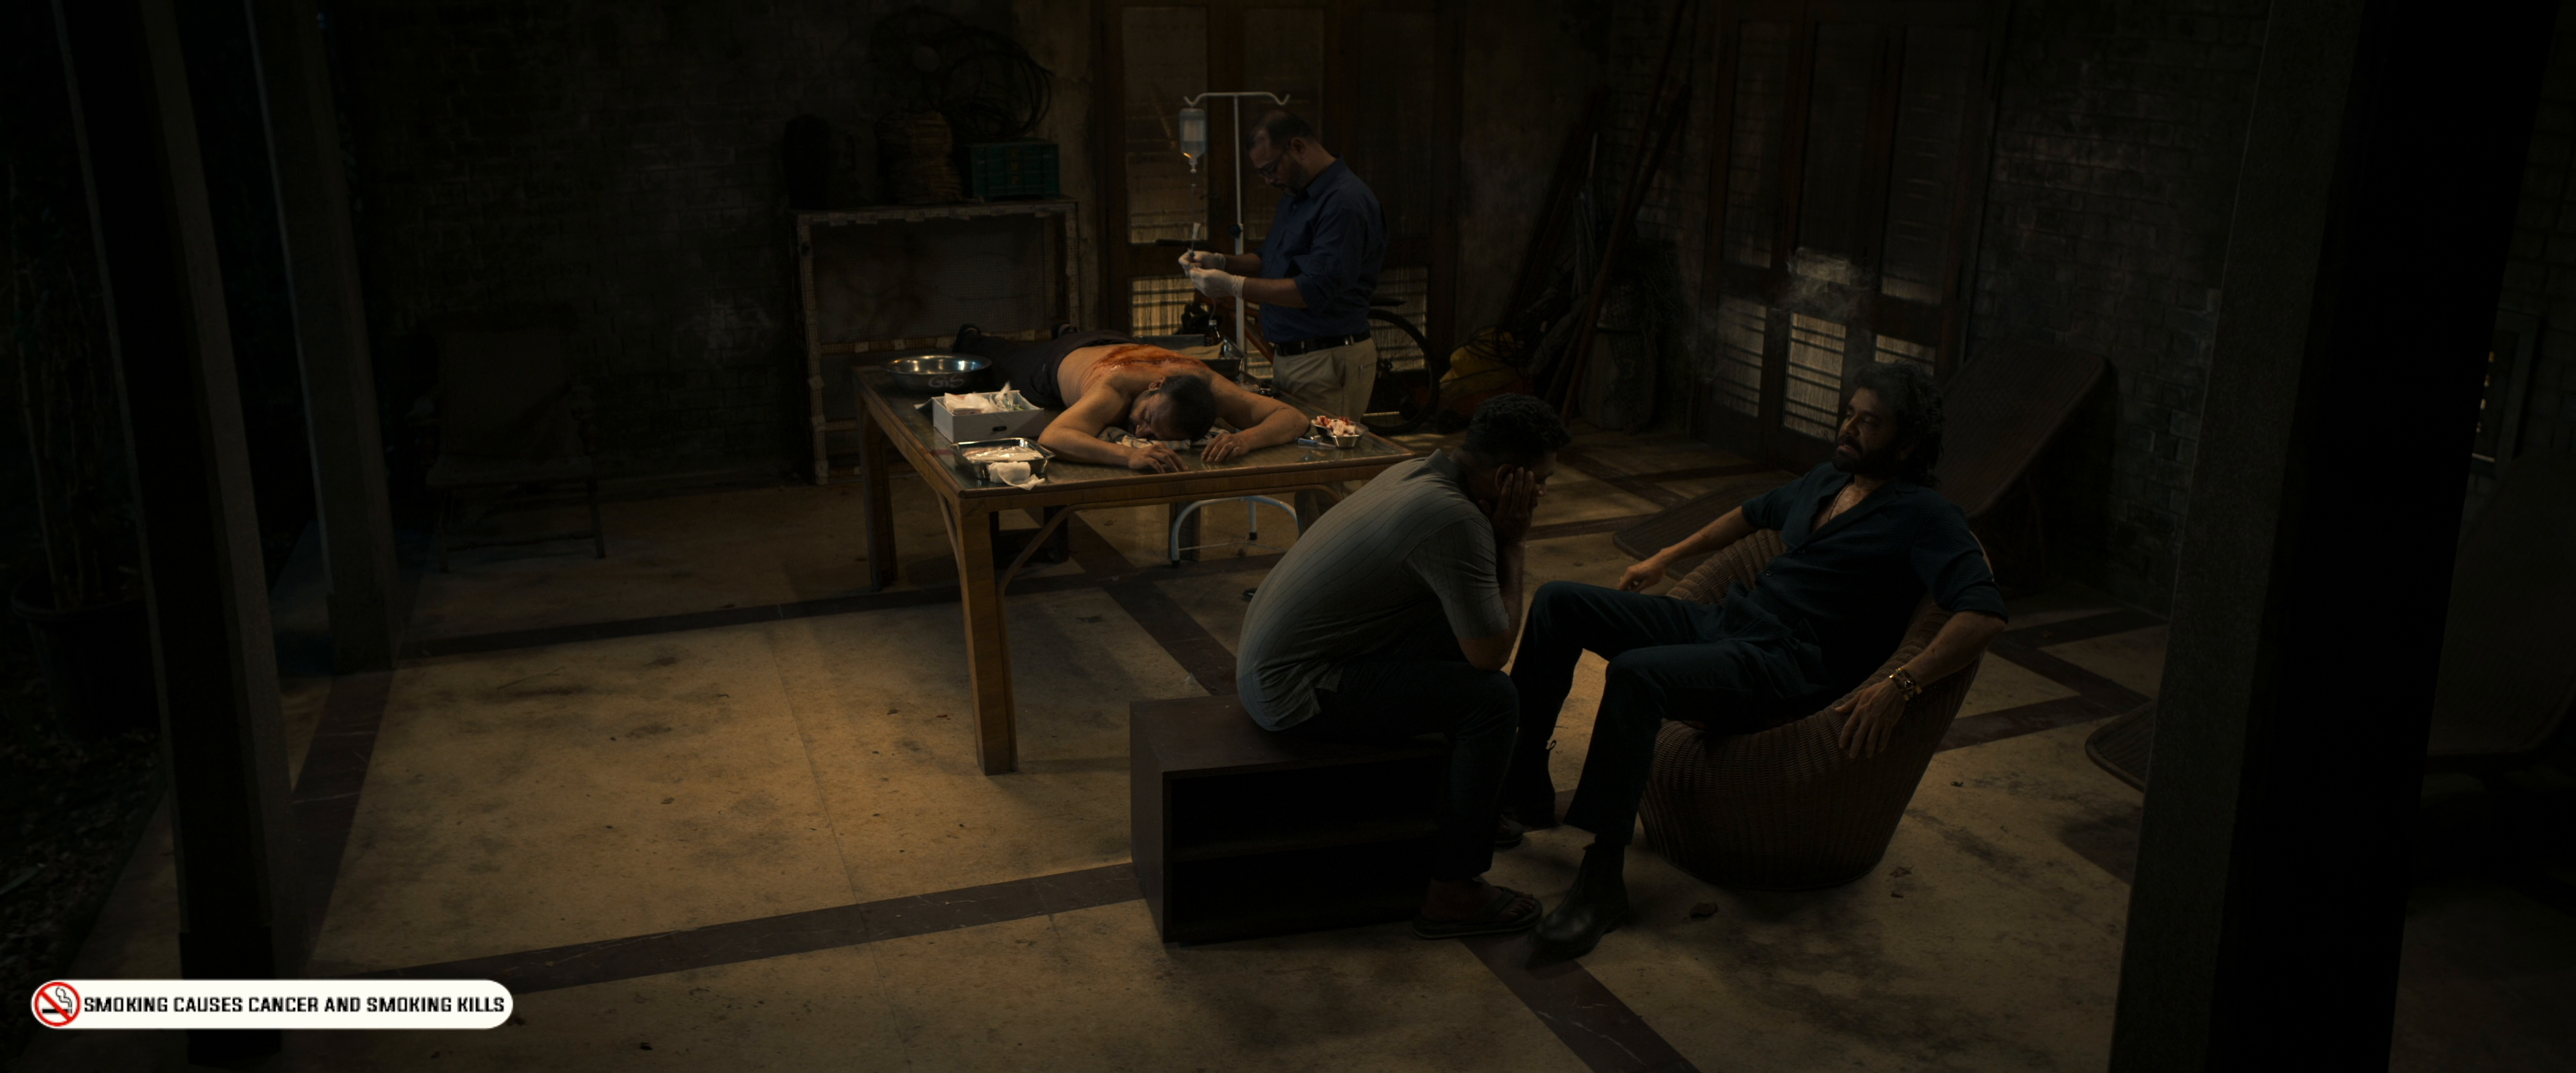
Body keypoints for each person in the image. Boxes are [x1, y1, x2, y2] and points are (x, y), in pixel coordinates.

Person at [1503, 361, 2012, 962]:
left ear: (1907, 445)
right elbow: (1750, 514)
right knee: (1559, 602)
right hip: (1730, 623)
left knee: (1638, 673)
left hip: (1786, 665)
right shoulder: (1828, 480)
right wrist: (1665, 556)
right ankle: (1525, 784)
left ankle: (1602, 879)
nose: (1848, 428)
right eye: (1849, 413)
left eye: (1869, 422)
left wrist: (1904, 684)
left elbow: (1984, 614)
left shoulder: (1926, 516)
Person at [1235, 394, 1572, 939]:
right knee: (1492, 701)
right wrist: (1513, 544)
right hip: (1293, 689)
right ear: (1507, 477)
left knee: (1459, 626)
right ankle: (1453, 890)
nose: (1543, 493)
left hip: (1287, 661)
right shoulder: (1453, 517)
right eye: (1542, 480)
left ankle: (1471, 809)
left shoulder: (1418, 471)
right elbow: (1491, 654)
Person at [1177, 108, 1386, 520]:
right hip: (1299, 358)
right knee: (1310, 481)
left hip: (1329, 358)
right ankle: (1318, 563)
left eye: (1271, 168)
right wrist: (1222, 262)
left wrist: (1231, 286)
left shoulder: (1343, 202)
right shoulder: (1298, 196)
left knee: (1326, 483)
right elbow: (1273, 261)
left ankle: (1334, 564)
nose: (1269, 180)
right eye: (1262, 173)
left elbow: (1314, 290)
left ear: (1299, 147)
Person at [948, 325, 1308, 473]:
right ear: (1156, 385)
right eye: (1147, 417)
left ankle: (1070, 328)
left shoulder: (1209, 384)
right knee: (1005, 361)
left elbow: (1293, 418)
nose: (1142, 431)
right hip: (1057, 362)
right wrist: (1129, 455)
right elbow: (1054, 437)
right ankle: (972, 338)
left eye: (1153, 434)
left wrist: (1246, 439)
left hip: (1115, 340)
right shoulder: (1116, 388)